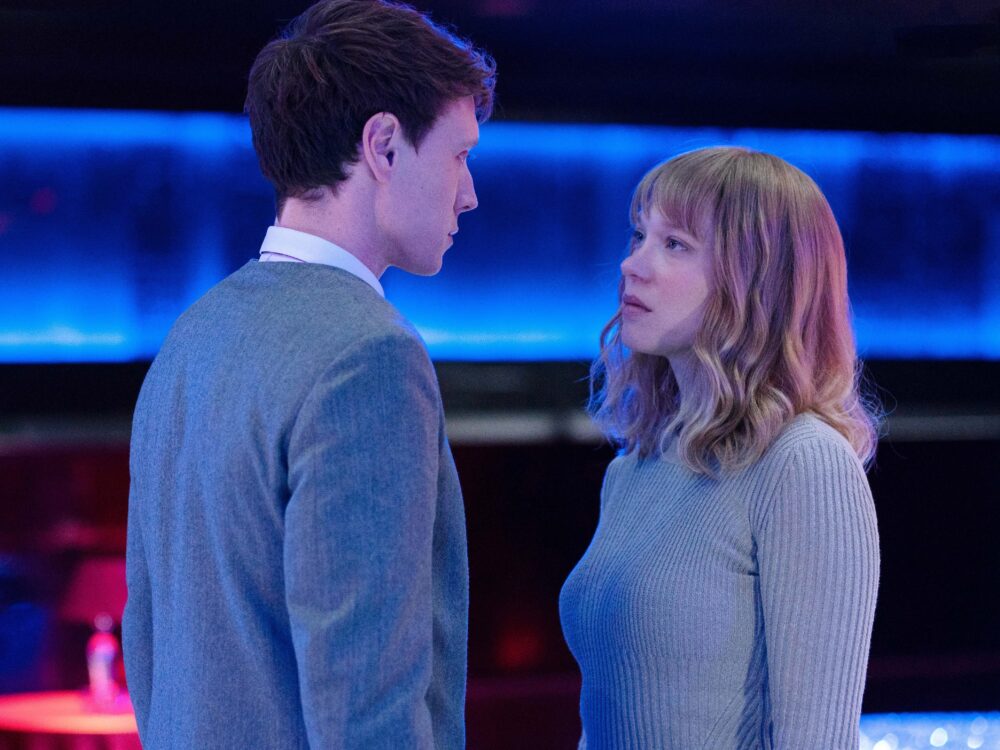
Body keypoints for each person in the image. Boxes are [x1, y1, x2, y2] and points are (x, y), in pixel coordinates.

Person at [122, 2, 494, 748]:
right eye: (459, 155)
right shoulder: (369, 357)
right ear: (383, 146)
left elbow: (148, 647)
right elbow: (368, 712)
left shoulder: (192, 335)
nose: (469, 192)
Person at [559, 146, 881, 749]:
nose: (632, 264)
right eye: (639, 236)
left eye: (675, 244)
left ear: (756, 280)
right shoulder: (633, 470)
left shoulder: (804, 462)